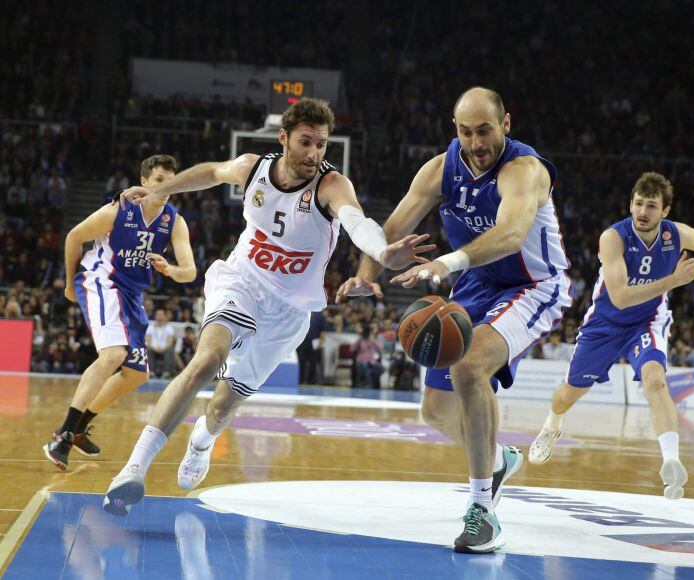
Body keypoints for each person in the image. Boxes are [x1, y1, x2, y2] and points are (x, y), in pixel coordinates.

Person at [102, 98, 434, 516]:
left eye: (321, 144)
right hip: (241, 281)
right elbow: (210, 172)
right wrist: (160, 189)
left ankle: (202, 441)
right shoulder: (253, 167)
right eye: (305, 142)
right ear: (284, 138)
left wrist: (383, 254)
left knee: (223, 405)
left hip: (289, 312)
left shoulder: (332, 186)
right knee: (206, 361)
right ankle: (133, 469)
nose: (314, 153)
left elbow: (357, 223)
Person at [337, 87, 571, 553]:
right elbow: (393, 230)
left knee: (470, 367)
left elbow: (510, 234)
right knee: (436, 412)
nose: (475, 141)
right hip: (475, 285)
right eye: (465, 131)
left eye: (484, 130)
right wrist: (367, 274)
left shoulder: (525, 170)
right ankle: (498, 459)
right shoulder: (441, 169)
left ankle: (482, 510)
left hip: (532, 285)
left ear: (505, 124)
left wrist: (446, 262)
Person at [528, 172, 694, 501]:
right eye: (639, 203)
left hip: (648, 321)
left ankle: (671, 461)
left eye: (652, 206)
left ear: (665, 211)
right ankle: (551, 425)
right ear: (630, 204)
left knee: (656, 381)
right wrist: (673, 280)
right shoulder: (613, 238)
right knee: (569, 393)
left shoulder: (675, 235)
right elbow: (620, 297)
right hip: (606, 324)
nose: (643, 211)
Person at [43, 155, 196, 471]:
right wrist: (69, 285)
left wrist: (171, 270)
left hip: (130, 294)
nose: (165, 187)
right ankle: (63, 434)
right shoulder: (118, 210)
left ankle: (81, 426)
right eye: (159, 180)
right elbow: (74, 237)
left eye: (170, 180)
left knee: (138, 374)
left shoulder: (174, 221)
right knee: (112, 354)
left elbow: (191, 272)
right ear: (144, 182)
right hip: (101, 280)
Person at [146, 308, 177, 378]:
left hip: (165, 348)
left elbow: (170, 342)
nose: (159, 317)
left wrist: (162, 348)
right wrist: (155, 348)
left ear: (165, 317)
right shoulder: (150, 327)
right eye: (158, 315)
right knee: (148, 349)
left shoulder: (169, 328)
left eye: (161, 315)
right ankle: (151, 372)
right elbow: (148, 341)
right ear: (155, 316)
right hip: (153, 348)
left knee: (169, 350)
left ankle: (166, 372)